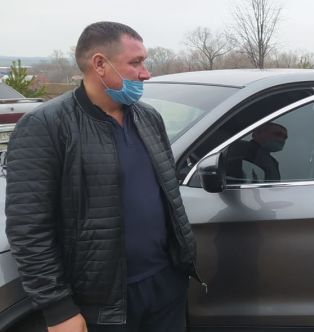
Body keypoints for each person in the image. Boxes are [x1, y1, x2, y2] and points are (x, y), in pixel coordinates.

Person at [5, 22, 199, 332]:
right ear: (99, 64)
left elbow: (166, 195)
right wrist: (58, 310)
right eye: (135, 63)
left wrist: (178, 270)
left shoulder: (148, 118)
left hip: (165, 287)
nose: (146, 73)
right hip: (103, 306)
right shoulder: (46, 125)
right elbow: (28, 228)